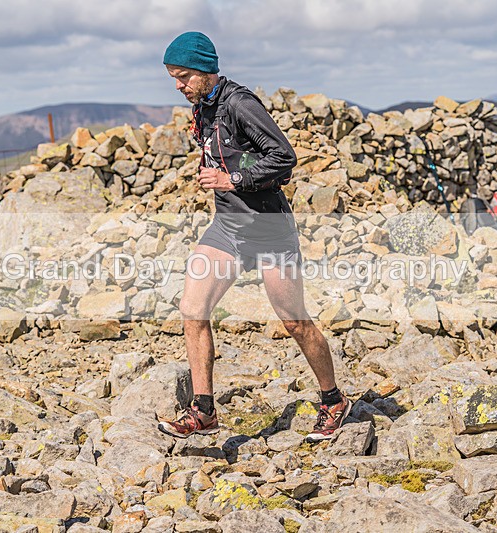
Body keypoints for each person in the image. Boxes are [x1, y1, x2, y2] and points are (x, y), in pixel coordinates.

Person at [157, 31, 351, 442]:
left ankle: (333, 400)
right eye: (174, 77)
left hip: (269, 229)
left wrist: (232, 177)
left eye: (185, 76)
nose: (179, 86)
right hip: (227, 227)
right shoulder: (204, 106)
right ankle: (203, 410)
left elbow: (284, 158)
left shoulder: (240, 104)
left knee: (294, 321)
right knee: (193, 309)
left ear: (207, 70)